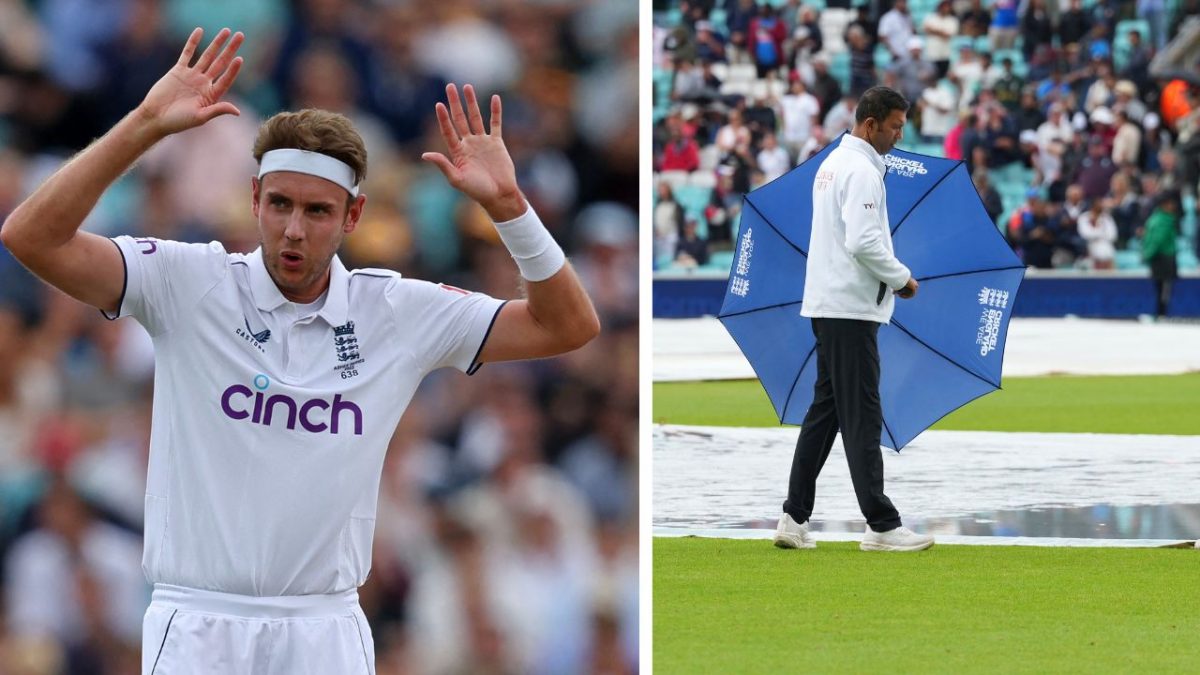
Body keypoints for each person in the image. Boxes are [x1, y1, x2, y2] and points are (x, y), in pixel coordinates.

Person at [0, 28, 600, 675]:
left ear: (353, 215)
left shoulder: (396, 310)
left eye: (317, 211)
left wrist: (511, 208)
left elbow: (567, 325)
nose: (292, 229)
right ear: (254, 199)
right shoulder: (190, 281)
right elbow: (31, 235)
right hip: (199, 622)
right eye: (279, 203)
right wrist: (144, 124)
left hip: (324, 630)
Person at [772, 86, 933, 553]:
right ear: (869, 125)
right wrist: (901, 277)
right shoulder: (862, 170)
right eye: (895, 126)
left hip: (828, 301)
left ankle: (793, 516)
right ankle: (881, 524)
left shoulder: (831, 165)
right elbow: (863, 242)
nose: (899, 136)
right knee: (863, 413)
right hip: (849, 305)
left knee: (825, 413)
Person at [1141, 191, 1180, 320]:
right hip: (1164, 258)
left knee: (1160, 288)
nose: (1173, 206)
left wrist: (1147, 254)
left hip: (1158, 258)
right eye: (1170, 204)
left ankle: (1160, 313)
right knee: (1164, 289)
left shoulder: (1154, 219)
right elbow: (1158, 240)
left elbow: (1148, 239)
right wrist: (1149, 254)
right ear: (1165, 205)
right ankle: (1161, 314)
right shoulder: (1166, 220)